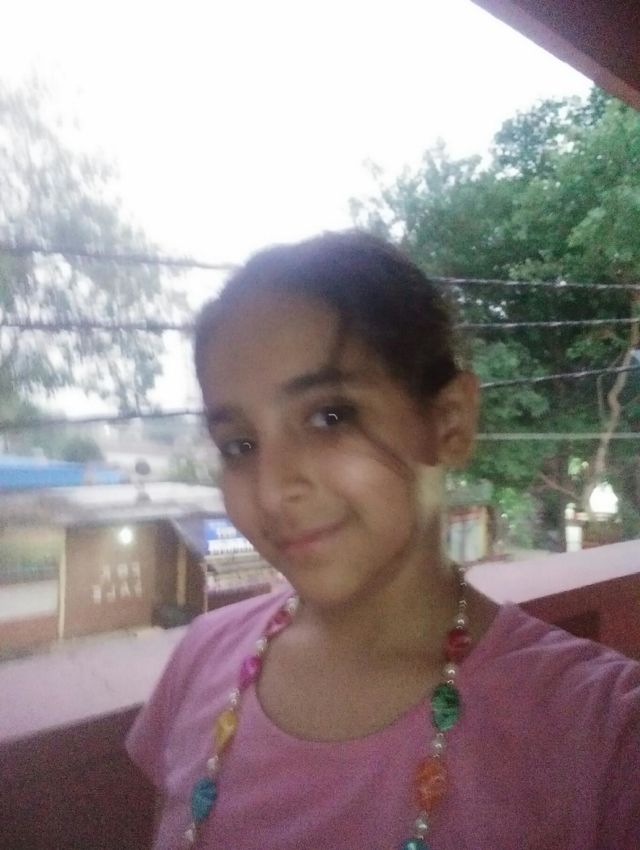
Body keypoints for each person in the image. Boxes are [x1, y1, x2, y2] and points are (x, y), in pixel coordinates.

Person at [127, 231, 640, 850]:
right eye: (240, 445)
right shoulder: (201, 662)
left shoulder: (601, 736)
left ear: (447, 422)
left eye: (329, 417)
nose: (272, 490)